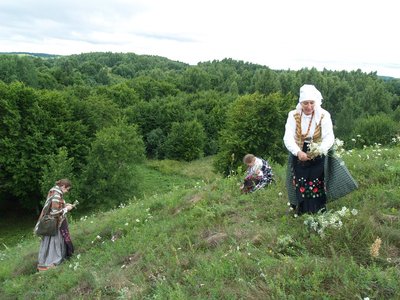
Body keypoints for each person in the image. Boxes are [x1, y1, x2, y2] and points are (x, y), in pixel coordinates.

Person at [283, 84, 335, 214]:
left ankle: (318, 210)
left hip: (318, 151)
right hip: (299, 150)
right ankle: (302, 210)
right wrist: (298, 152)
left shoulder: (323, 115)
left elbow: (329, 137)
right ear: (301, 103)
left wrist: (319, 151)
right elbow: (288, 136)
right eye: (305, 103)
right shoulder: (293, 115)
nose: (309, 106)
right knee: (301, 181)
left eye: (312, 103)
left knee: (317, 181)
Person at [35, 179, 75, 271]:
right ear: (63, 186)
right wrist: (67, 209)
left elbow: (55, 206)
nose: (67, 192)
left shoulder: (55, 191)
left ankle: (46, 263)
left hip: (53, 224)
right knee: (54, 244)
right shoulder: (56, 194)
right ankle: (51, 264)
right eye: (67, 189)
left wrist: (65, 205)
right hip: (54, 224)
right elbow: (54, 212)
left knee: (48, 244)